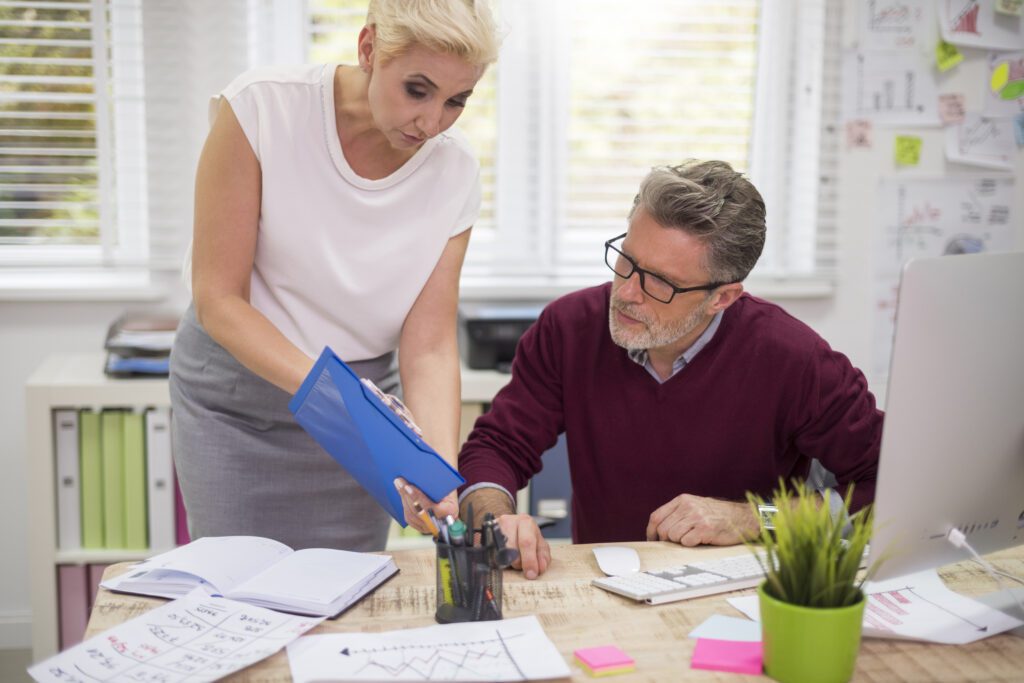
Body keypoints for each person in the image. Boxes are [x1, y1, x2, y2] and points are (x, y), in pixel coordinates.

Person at [169, 0, 499, 552]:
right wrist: (345, 407)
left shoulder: (455, 170)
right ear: (368, 48)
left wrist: (437, 468)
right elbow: (219, 299)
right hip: (237, 407)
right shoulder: (261, 108)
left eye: (456, 101)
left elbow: (431, 346)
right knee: (240, 595)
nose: (433, 121)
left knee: (345, 598)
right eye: (417, 90)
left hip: (361, 415)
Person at [456, 160, 883, 578]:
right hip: (605, 586)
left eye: (659, 282)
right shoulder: (569, 327)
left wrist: (755, 519)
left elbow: (887, 487)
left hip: (745, 595)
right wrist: (495, 519)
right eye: (627, 260)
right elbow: (498, 446)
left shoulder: (795, 358)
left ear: (723, 297)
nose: (625, 292)